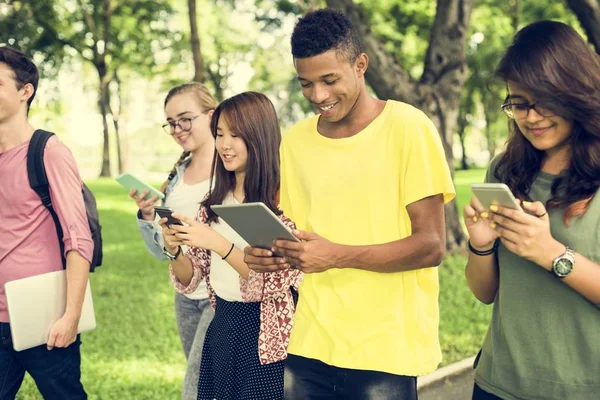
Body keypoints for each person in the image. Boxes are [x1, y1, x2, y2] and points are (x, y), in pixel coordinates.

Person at [243, 9, 456, 399]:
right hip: (309, 339)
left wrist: (337, 256)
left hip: (385, 348)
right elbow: (298, 236)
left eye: (329, 80)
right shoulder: (295, 141)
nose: (318, 96)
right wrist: (268, 253)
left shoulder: (409, 128)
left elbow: (431, 245)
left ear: (360, 65)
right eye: (306, 84)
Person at [464, 21, 600, 400]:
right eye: (518, 104)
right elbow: (485, 293)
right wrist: (481, 246)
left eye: (544, 101)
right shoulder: (504, 171)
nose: (531, 117)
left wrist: (552, 253)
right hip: (498, 384)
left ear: (576, 92)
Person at [162, 91, 302, 400]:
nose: (224, 144)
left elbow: (272, 280)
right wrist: (173, 249)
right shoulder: (212, 202)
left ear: (258, 136)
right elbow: (191, 278)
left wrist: (218, 243)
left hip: (264, 335)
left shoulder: (281, 201)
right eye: (220, 134)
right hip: (223, 323)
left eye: (235, 135)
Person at [0, 46, 93, 399]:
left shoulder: (48, 150)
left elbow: (78, 238)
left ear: (26, 91)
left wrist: (71, 315)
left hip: (44, 316)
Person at [129, 82, 217, 399]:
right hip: (185, 297)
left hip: (221, 297)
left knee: (194, 389)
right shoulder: (177, 174)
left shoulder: (232, 167)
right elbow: (161, 251)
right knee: (211, 386)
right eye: (171, 122)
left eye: (185, 119)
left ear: (212, 114)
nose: (177, 129)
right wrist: (149, 215)